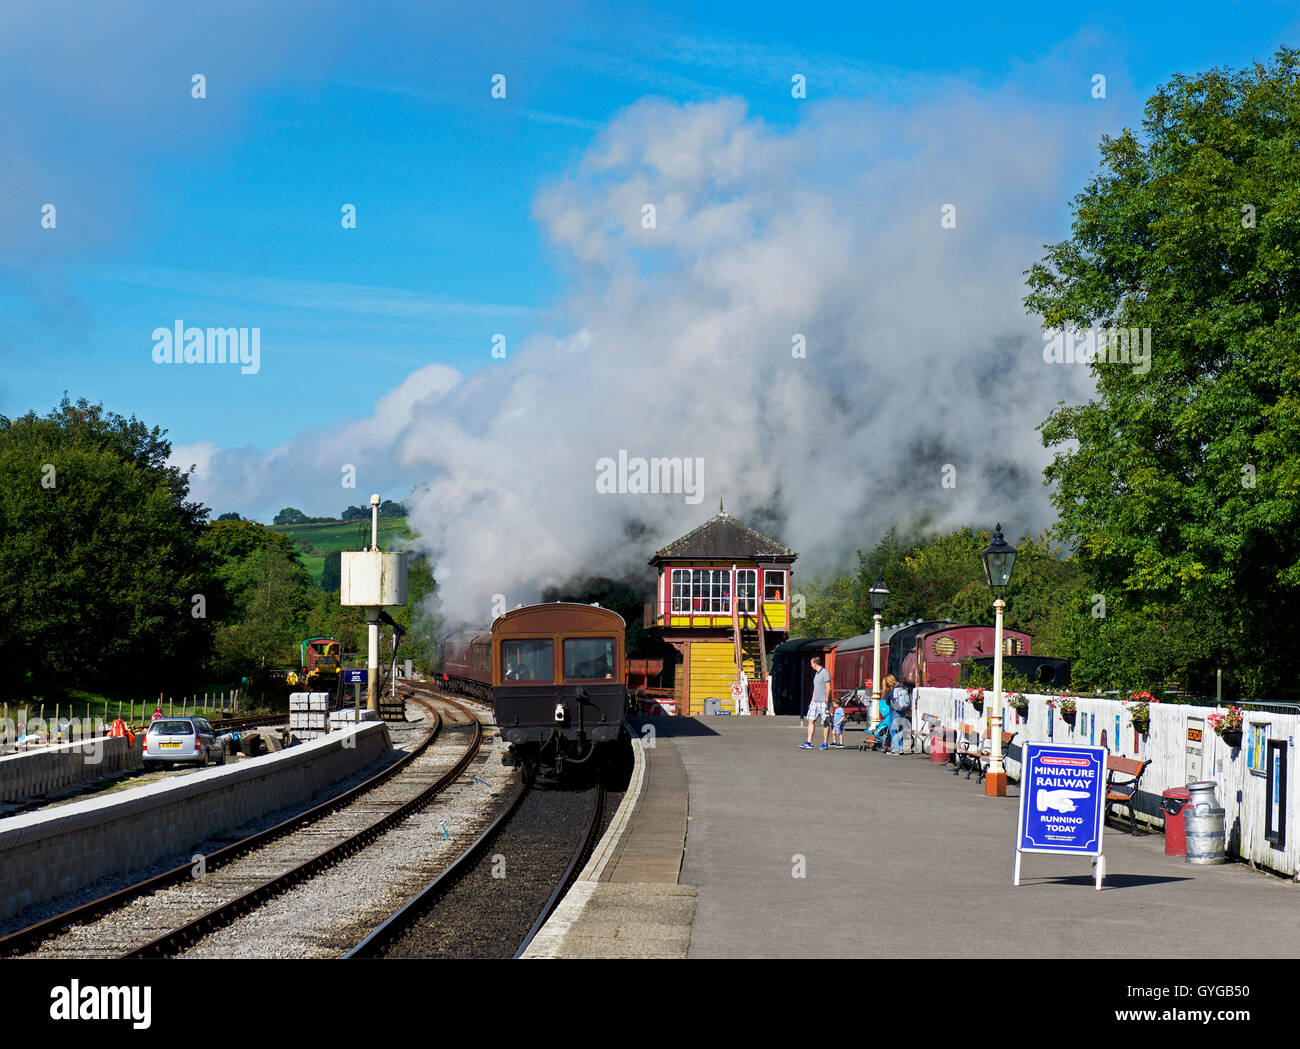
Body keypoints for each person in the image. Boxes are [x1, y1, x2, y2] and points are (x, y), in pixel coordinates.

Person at [800, 655, 832, 750]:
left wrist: (826, 700)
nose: (811, 665)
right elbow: (815, 688)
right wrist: (812, 699)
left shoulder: (825, 672)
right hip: (815, 701)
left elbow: (828, 687)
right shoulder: (816, 674)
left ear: (814, 663)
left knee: (825, 722)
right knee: (811, 720)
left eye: (811, 663)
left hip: (823, 701)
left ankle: (825, 743)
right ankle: (809, 742)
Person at [883, 674, 912, 754]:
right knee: (900, 729)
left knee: (893, 730)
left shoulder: (890, 690)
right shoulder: (901, 687)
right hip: (903, 711)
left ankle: (896, 749)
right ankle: (901, 748)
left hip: (895, 712)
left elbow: (887, 702)